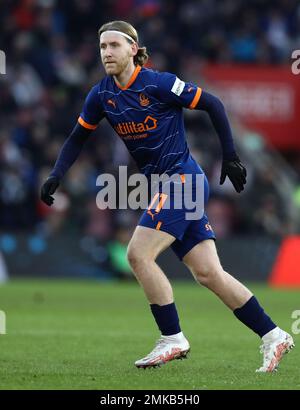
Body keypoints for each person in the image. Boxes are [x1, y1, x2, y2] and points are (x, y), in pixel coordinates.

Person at [41, 20, 294, 372]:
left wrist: (231, 156)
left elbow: (214, 104)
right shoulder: (101, 94)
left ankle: (172, 338)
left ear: (133, 48)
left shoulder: (158, 83)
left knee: (137, 255)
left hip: (183, 181)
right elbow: (76, 137)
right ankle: (273, 334)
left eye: (114, 45)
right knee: (209, 273)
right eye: (102, 47)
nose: (107, 53)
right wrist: (56, 175)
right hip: (163, 187)